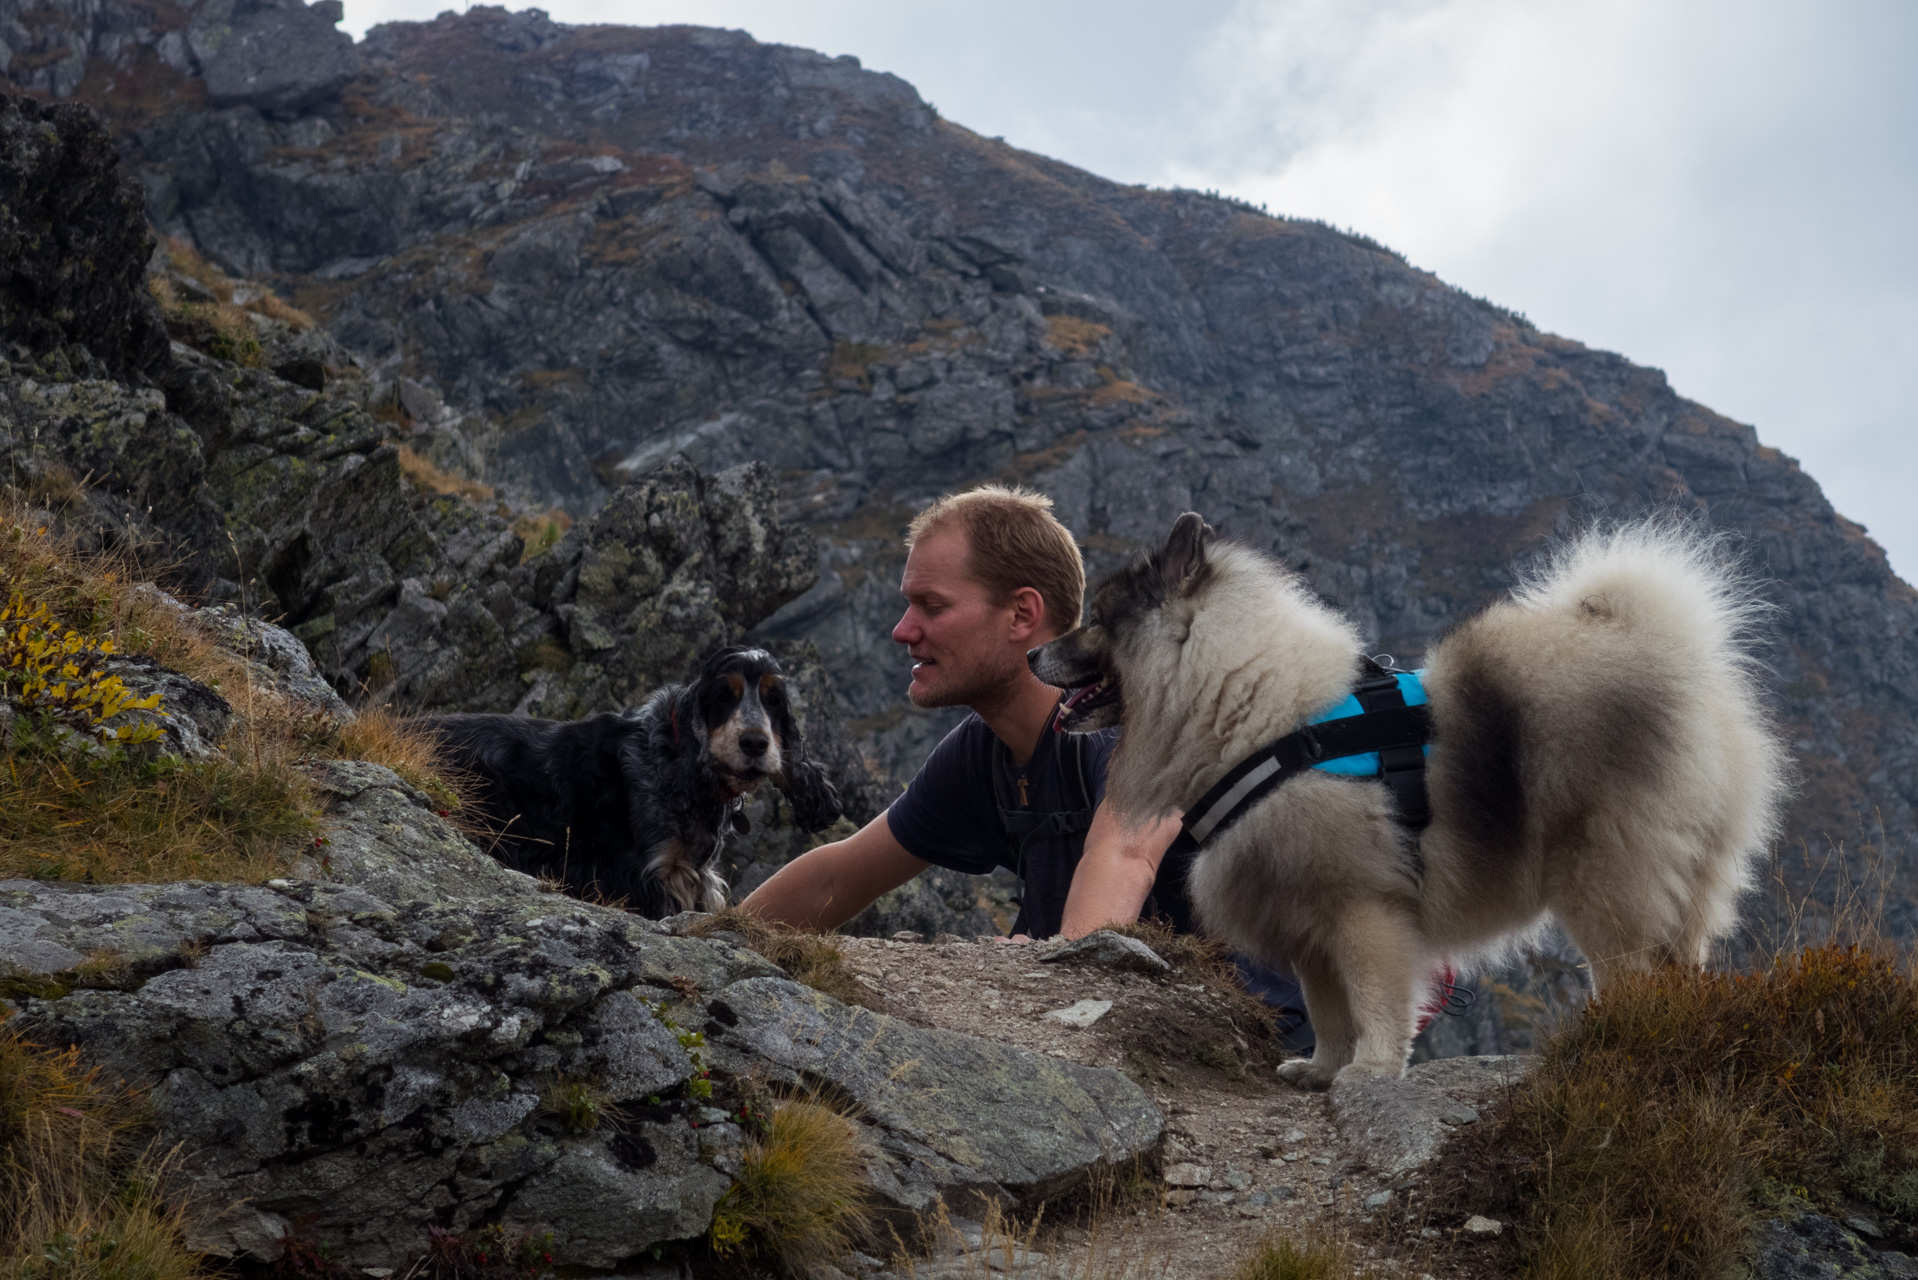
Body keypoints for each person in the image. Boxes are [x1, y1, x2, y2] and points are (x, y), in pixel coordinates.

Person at [741, 484, 1313, 1040]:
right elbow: (836, 881)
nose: (902, 630)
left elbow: (1125, 852)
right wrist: (705, 945)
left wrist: (1061, 985)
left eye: (931, 606)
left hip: (1253, 1049)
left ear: (1021, 615)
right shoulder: (980, 753)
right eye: (907, 605)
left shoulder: (1123, 724)